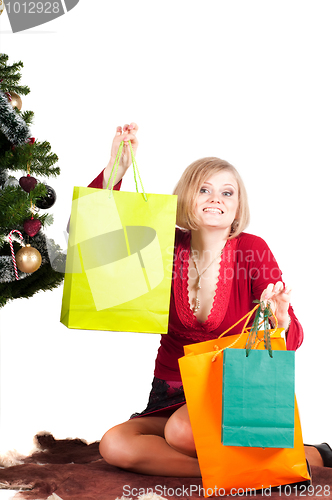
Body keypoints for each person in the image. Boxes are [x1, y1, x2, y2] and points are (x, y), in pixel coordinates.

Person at [88, 123, 331, 475]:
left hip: (230, 392)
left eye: (227, 193)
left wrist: (280, 320)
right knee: (115, 444)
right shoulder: (163, 245)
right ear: (187, 197)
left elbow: (291, 341)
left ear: (237, 206)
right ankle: (241, 472)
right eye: (204, 189)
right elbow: (100, 234)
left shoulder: (252, 249)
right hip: (169, 393)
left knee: (183, 432)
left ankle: (310, 456)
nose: (216, 198)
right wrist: (117, 168)